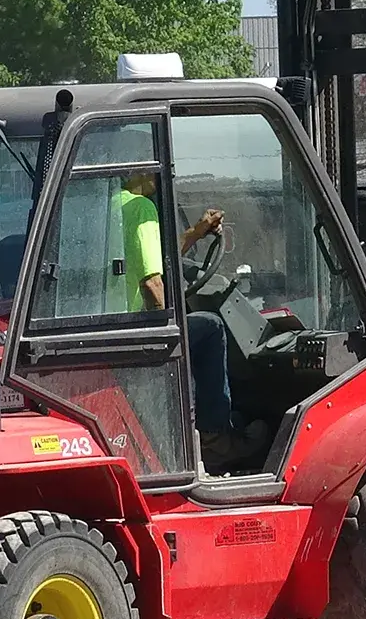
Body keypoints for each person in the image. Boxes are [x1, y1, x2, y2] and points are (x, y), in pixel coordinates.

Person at [114, 172, 268, 471]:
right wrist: (166, 334)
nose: (161, 177)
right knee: (210, 328)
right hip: (136, 327)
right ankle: (215, 437)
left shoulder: (108, 205)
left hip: (116, 326)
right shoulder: (140, 207)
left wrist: (198, 232)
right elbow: (152, 282)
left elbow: (159, 257)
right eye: (158, 169)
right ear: (143, 169)